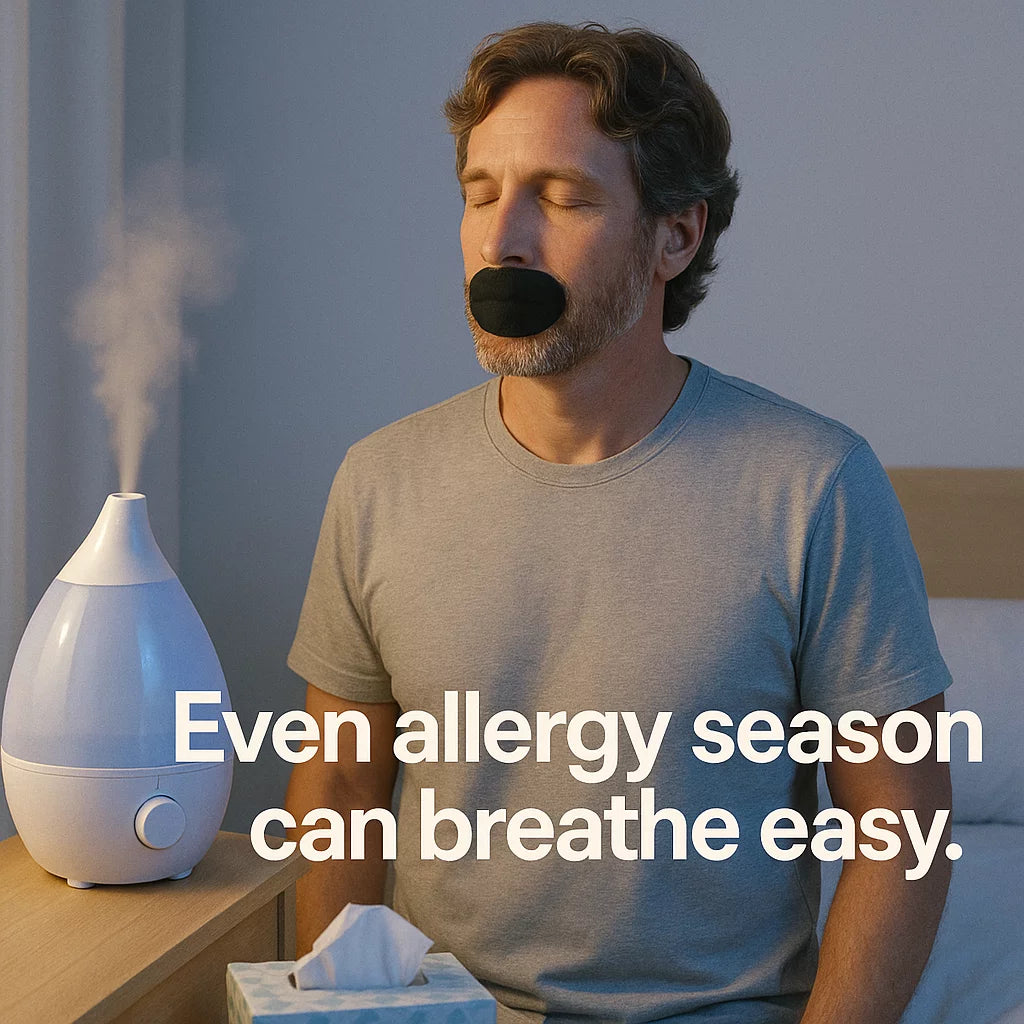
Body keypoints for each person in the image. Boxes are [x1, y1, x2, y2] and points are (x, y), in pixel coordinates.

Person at [285, 21, 953, 1024]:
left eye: (559, 197)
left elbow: (899, 820)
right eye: (480, 193)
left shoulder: (814, 484)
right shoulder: (377, 481)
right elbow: (339, 784)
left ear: (673, 236)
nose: (500, 238)